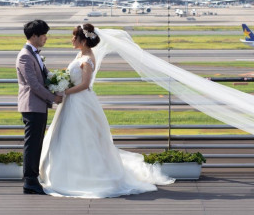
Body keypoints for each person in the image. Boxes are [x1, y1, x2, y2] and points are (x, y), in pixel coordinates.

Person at [39, 23, 174, 198]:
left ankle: (84, 176)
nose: (72, 39)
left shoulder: (87, 59)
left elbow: (85, 85)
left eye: (74, 37)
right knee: (68, 136)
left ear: (83, 40)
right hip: (72, 102)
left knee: (82, 137)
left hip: (80, 102)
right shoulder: (80, 55)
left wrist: (64, 91)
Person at [16, 19, 63, 195]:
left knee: (36, 144)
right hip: (31, 106)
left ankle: (33, 179)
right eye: (44, 35)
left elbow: (43, 79)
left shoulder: (33, 53)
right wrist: (53, 98)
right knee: (32, 145)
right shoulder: (25, 56)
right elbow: (34, 85)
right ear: (34, 36)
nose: (46, 38)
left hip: (38, 106)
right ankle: (29, 181)